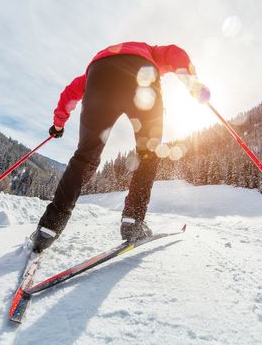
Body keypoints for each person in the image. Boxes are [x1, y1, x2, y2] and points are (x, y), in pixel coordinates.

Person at [30, 41, 210, 253]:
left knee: (84, 157)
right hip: (142, 74)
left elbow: (70, 93)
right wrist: (194, 85)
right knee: (149, 154)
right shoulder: (150, 51)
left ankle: (49, 227)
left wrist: (58, 124)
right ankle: (133, 220)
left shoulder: (100, 62)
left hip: (98, 76)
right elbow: (175, 53)